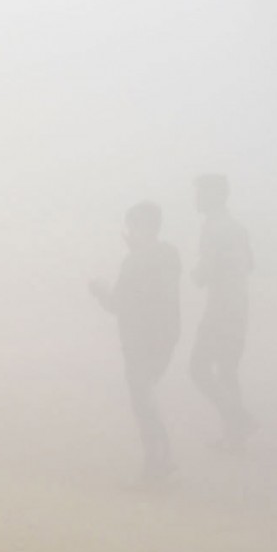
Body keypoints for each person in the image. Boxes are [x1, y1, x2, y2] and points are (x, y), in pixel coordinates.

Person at [90, 201, 182, 481]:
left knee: (143, 403)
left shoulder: (136, 261)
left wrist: (99, 290)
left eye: (132, 226)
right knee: (146, 399)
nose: (129, 232)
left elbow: (118, 303)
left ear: (142, 227)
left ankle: (157, 466)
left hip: (141, 342)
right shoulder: (169, 255)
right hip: (164, 339)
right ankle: (161, 462)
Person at [189, 174, 255, 450]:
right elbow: (250, 264)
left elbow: (204, 273)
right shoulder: (237, 227)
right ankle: (235, 436)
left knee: (197, 367)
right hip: (239, 305)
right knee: (228, 370)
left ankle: (239, 420)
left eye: (200, 192)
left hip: (220, 308)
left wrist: (194, 274)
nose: (196, 198)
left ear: (217, 195)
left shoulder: (214, 228)